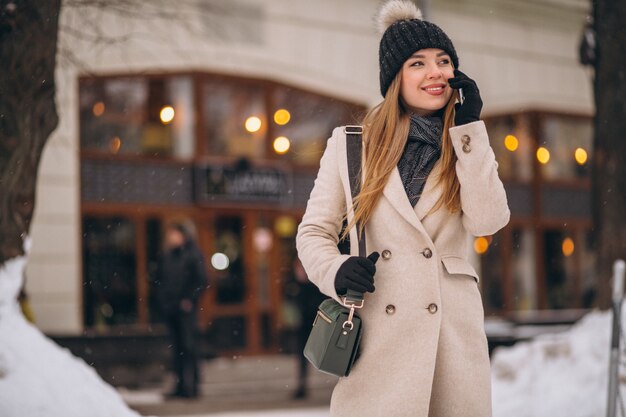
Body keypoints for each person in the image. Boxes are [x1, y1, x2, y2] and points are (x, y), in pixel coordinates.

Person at [295, 1, 510, 416]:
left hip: (451, 343)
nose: (436, 72)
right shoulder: (352, 145)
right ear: (396, 78)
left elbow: (488, 221)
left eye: (444, 61)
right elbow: (314, 232)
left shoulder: (465, 144)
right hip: (381, 342)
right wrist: (335, 270)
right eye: (419, 63)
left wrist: (470, 129)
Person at [154, 220, 209, 399]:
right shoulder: (167, 255)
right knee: (176, 348)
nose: (171, 238)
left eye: (174, 234)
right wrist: (164, 300)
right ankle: (179, 385)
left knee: (189, 347)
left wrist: (188, 299)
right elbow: (160, 280)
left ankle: (192, 386)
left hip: (186, 310)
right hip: (171, 309)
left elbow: (201, 280)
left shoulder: (193, 255)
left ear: (183, 235)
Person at [289, 257, 326, 399]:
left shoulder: (316, 285)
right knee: (302, 355)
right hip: (302, 326)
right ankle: (302, 385)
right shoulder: (293, 285)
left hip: (318, 324)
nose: (301, 271)